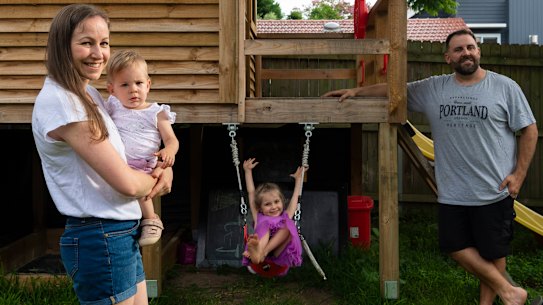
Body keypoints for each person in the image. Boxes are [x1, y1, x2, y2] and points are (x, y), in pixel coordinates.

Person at [323, 29, 539, 305]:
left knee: (493, 252)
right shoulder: (435, 88)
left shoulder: (504, 87)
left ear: (479, 51)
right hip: (452, 190)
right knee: (453, 245)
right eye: (459, 49)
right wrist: (357, 91)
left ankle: (494, 301)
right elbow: (395, 91)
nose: (466, 53)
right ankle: (511, 292)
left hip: (494, 189)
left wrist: (519, 175)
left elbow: (529, 130)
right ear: (448, 57)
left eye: (471, 47)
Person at [31, 4, 173, 305]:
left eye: (104, 43)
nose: (99, 53)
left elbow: (131, 151)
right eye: (86, 43)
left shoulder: (89, 95)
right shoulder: (63, 102)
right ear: (61, 45)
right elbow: (129, 184)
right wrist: (156, 178)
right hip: (99, 234)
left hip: (121, 230)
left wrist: (164, 166)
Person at [106, 49, 179, 247]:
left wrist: (168, 151)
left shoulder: (156, 112)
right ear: (112, 90)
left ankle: (151, 220)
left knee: (144, 190)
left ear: (148, 84)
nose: (133, 90)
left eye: (139, 83)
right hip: (118, 161)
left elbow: (171, 139)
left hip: (144, 162)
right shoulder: (113, 106)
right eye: (125, 85)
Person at [241, 158, 304, 276]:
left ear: (282, 201)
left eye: (276, 202)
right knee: (265, 223)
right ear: (259, 207)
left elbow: (296, 198)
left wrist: (298, 181)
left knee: (288, 225)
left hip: (277, 251)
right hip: (261, 243)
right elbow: (251, 192)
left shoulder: (285, 215)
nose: (274, 207)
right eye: (267, 204)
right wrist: (248, 172)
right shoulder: (259, 215)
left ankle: (261, 253)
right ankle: (258, 249)